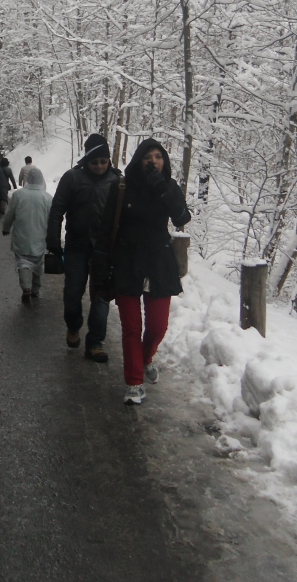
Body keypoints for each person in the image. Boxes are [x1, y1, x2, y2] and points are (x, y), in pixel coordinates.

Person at [90, 139, 191, 405]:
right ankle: (134, 383)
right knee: (132, 328)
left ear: (164, 161)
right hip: (127, 262)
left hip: (158, 264)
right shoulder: (121, 187)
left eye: (158, 157)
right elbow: (106, 228)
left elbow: (182, 217)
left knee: (158, 326)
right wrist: (100, 264)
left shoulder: (169, 187)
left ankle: (145, 359)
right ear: (139, 160)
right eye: (148, 157)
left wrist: (162, 189)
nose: (153, 162)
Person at [47, 133, 120, 362]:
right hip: (76, 246)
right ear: (87, 160)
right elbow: (57, 209)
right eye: (94, 162)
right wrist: (53, 239)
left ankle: (95, 343)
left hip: (104, 251)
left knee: (101, 298)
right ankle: (73, 324)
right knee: (72, 294)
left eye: (103, 161)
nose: (99, 166)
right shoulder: (72, 178)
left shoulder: (118, 182)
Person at [2, 165, 52, 303]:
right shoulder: (47, 198)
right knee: (38, 262)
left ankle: (26, 287)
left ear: (28, 179)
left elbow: (10, 214)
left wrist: (6, 228)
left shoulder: (18, 195)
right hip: (40, 237)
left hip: (21, 236)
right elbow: (53, 219)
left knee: (22, 262)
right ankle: (36, 288)